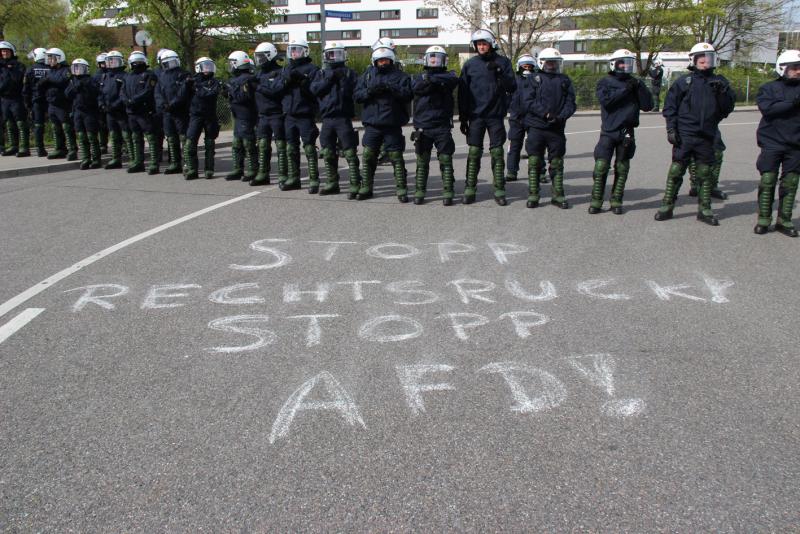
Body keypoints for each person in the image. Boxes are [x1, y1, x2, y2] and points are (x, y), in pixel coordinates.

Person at [655, 42, 735, 225]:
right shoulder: (684, 82)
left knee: (705, 173)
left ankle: (705, 209)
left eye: (709, 57)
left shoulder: (721, 82)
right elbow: (670, 107)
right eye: (701, 57)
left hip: (707, 135)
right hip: (685, 134)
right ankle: (667, 205)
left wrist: (722, 94)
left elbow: (727, 109)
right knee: (676, 170)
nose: (705, 61)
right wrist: (671, 129)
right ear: (694, 60)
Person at [589, 49, 653, 214]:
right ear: (614, 64)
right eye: (622, 63)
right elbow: (607, 102)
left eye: (628, 63)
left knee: (622, 167)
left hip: (627, 132)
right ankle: (596, 201)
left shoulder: (636, 83)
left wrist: (639, 87)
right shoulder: (605, 82)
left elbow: (648, 105)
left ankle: (616, 200)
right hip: (609, 131)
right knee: (601, 166)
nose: (625, 66)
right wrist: (625, 90)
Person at [458, 29, 516, 205]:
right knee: (474, 152)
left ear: (491, 44)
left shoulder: (503, 62)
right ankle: (470, 188)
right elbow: (463, 92)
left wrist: (499, 71)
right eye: (478, 44)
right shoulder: (470, 65)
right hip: (475, 116)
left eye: (484, 43)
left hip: (495, 116)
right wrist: (463, 117)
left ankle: (499, 189)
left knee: (497, 153)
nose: (481, 47)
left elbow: (512, 87)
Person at [354, 46, 413, 201]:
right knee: (368, 155)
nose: (383, 62)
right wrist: (370, 91)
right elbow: (357, 95)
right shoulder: (367, 75)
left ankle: (401, 189)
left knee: (396, 156)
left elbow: (408, 95)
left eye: (385, 59)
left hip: (392, 123)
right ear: (375, 61)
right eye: (380, 60)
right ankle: (366, 187)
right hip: (372, 123)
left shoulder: (400, 76)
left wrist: (392, 88)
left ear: (391, 60)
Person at [753, 49, 800, 237]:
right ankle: (764, 219)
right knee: (768, 180)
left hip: (796, 143)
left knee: (791, 182)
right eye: (795, 68)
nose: (798, 71)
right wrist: (793, 103)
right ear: (783, 68)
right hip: (772, 141)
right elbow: (768, 109)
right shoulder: (769, 88)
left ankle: (784, 220)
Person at [522, 47, 576, 208]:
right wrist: (545, 114)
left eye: (555, 62)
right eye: (549, 62)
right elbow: (528, 101)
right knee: (534, 161)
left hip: (556, 128)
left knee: (557, 162)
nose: (552, 65)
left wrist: (561, 116)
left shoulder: (564, 80)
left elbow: (571, 102)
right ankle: (533, 194)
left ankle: (558, 194)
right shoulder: (533, 78)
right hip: (536, 126)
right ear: (541, 62)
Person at [310, 41, 361, 196]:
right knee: (328, 151)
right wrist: (330, 78)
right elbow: (314, 90)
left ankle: (355, 183)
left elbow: (355, 92)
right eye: (330, 54)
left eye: (337, 54)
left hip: (343, 117)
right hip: (327, 119)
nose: (333, 57)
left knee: (350, 152)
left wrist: (343, 80)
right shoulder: (321, 73)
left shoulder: (350, 73)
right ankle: (332, 182)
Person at [410, 45, 458, 205]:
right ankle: (420, 191)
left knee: (445, 159)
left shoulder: (449, 75)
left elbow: (453, 80)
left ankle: (448, 191)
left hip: (442, 125)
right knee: (422, 161)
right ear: (426, 59)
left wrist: (432, 80)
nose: (435, 60)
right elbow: (416, 87)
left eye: (438, 58)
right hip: (423, 125)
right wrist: (431, 81)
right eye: (432, 57)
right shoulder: (418, 77)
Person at [270, 39, 320, 191]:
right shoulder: (286, 69)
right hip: (289, 114)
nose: (293, 53)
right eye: (291, 50)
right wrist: (286, 81)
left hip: (305, 113)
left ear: (304, 51)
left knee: (309, 148)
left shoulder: (312, 69)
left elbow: (317, 91)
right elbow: (275, 89)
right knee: (291, 148)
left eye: (297, 50)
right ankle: (294, 178)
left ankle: (314, 180)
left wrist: (304, 84)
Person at [252, 41, 286, 186]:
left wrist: (258, 87)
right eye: (257, 57)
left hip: (277, 113)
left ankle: (283, 174)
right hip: (262, 115)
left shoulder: (280, 72)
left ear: (270, 55)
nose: (259, 60)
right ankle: (263, 173)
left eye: (262, 57)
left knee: (281, 145)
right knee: (263, 145)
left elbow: (275, 91)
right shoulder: (258, 73)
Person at [184, 57, 222, 180]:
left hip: (210, 115)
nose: (207, 69)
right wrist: (186, 85)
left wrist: (196, 88)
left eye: (209, 66)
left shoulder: (214, 82)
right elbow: (182, 96)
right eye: (205, 67)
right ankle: (192, 169)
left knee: (210, 143)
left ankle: (209, 169)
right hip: (195, 115)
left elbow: (209, 94)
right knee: (190, 142)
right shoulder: (192, 81)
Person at [122, 50, 159, 174]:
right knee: (136, 137)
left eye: (139, 62)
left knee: (151, 137)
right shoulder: (128, 76)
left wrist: (134, 100)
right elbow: (122, 91)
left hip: (144, 111)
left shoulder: (149, 75)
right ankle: (138, 162)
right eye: (135, 62)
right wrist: (126, 100)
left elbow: (148, 91)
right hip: (131, 112)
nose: (137, 64)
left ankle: (154, 163)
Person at [156, 49, 192, 174]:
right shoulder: (162, 76)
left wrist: (173, 104)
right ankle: (175, 163)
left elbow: (183, 92)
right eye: (166, 63)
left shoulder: (184, 74)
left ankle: (188, 162)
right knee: (170, 137)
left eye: (171, 62)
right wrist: (163, 104)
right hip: (167, 112)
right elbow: (158, 92)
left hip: (180, 111)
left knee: (184, 137)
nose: (169, 65)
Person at [224, 51, 258, 181]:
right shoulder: (237, 79)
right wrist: (226, 92)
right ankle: (238, 168)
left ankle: (252, 169)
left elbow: (244, 97)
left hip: (247, 115)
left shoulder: (248, 79)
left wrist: (230, 90)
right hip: (238, 115)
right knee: (237, 143)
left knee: (248, 142)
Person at [64, 58, 102, 169]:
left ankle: (96, 159)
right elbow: (67, 94)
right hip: (77, 111)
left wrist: (85, 86)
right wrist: (75, 87)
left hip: (89, 111)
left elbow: (95, 93)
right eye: (75, 68)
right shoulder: (72, 81)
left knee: (91, 136)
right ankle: (86, 158)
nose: (77, 70)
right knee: (81, 136)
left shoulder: (91, 80)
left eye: (79, 68)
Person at [41, 47, 77, 161]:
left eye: (52, 58)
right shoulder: (51, 71)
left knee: (67, 127)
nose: (50, 61)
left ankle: (72, 149)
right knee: (55, 127)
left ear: (59, 58)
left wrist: (49, 79)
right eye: (49, 58)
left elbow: (61, 81)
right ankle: (60, 148)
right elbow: (42, 83)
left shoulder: (66, 70)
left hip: (63, 104)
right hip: (52, 103)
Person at [505, 54, 537, 184]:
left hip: (533, 118)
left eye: (529, 66)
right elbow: (507, 96)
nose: (527, 68)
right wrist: (510, 109)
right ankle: (512, 171)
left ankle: (538, 172)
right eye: (524, 66)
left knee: (536, 146)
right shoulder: (514, 80)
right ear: (519, 66)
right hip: (516, 118)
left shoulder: (538, 80)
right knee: (514, 145)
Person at [98, 50, 131, 169]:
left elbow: (124, 94)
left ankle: (133, 158)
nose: (111, 63)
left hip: (120, 110)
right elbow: (100, 92)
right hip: (109, 111)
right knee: (114, 135)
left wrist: (115, 105)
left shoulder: (124, 76)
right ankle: (116, 158)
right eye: (109, 61)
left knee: (126, 134)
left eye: (114, 61)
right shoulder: (105, 76)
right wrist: (101, 104)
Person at [0, 41, 29, 157]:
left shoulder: (18, 65)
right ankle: (13, 146)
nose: (4, 53)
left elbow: (17, 80)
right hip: (4, 99)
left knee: (20, 122)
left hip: (16, 98)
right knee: (9, 122)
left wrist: (9, 68)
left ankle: (24, 147)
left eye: (6, 51)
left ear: (11, 52)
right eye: (2, 51)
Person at [23, 47, 49, 156]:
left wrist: (27, 104)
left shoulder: (30, 69)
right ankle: (61, 147)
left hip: (36, 101)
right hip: (50, 101)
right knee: (57, 124)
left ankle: (40, 148)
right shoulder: (51, 68)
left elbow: (26, 89)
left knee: (38, 125)